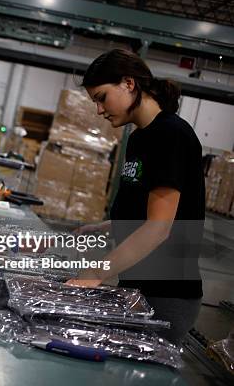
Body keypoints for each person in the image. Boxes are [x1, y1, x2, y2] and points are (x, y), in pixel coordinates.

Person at [65, 49, 205, 344]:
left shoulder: (171, 134)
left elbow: (159, 228)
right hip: (136, 285)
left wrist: (95, 272)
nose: (99, 110)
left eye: (101, 98)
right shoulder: (140, 136)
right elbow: (145, 209)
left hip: (165, 294)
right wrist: (104, 227)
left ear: (129, 83)